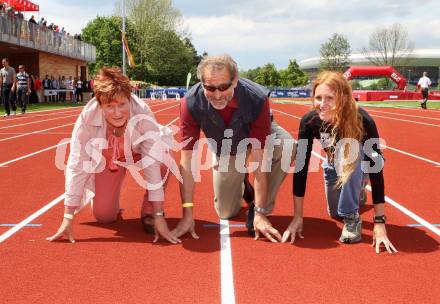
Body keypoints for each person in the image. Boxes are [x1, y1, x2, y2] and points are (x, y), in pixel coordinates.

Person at [47, 67, 180, 244]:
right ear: (100, 104)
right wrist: (67, 217)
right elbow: (77, 164)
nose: (117, 113)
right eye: (109, 106)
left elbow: (153, 162)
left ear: (130, 99)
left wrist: (158, 214)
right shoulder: (87, 118)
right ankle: (106, 200)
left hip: (139, 152)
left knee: (163, 157)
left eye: (122, 105)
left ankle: (149, 212)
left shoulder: (142, 112)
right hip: (109, 158)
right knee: (104, 217)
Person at [175, 54, 295, 242]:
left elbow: (260, 160)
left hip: (259, 137)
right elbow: (186, 163)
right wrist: (187, 214)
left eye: (223, 87)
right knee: (226, 212)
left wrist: (260, 212)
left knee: (287, 146)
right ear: (201, 83)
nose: (217, 94)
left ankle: (257, 208)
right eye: (210, 88)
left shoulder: (256, 98)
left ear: (235, 80)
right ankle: (243, 184)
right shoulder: (190, 103)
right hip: (226, 146)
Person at [283, 71, 397, 254]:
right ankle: (357, 191)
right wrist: (297, 217)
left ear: (343, 98)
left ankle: (352, 217)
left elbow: (376, 169)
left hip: (364, 162)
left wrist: (379, 222)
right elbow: (301, 167)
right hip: (332, 164)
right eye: (318, 97)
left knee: (352, 155)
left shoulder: (363, 120)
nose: (322, 104)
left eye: (329, 98)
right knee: (335, 213)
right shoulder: (310, 121)